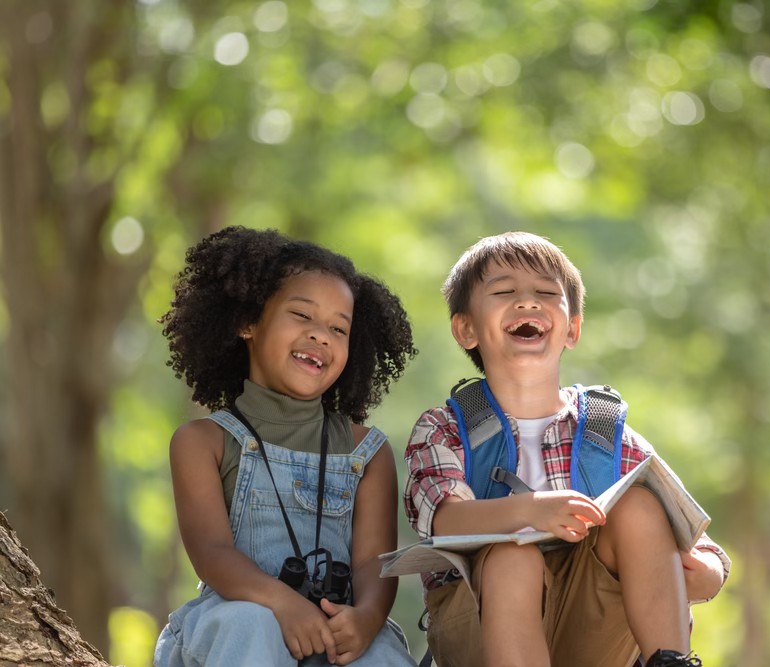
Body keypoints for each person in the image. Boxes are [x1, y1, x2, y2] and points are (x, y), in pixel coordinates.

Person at [403, 232, 731, 667]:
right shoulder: (444, 429)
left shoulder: (604, 431)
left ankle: (670, 661)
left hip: (593, 635)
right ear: (466, 328)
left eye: (545, 293)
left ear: (572, 328)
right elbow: (446, 520)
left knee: (638, 506)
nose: (527, 303)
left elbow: (696, 540)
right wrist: (532, 510)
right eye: (504, 291)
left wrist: (707, 573)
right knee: (511, 558)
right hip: (479, 627)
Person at [154, 226, 418, 667]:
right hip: (235, 626)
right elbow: (211, 554)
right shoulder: (203, 442)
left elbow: (374, 564)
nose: (321, 335)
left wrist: (368, 617)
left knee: (381, 655)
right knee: (252, 626)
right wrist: (284, 603)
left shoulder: (365, 451)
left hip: (335, 625)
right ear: (247, 323)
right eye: (302, 316)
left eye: (339, 328)